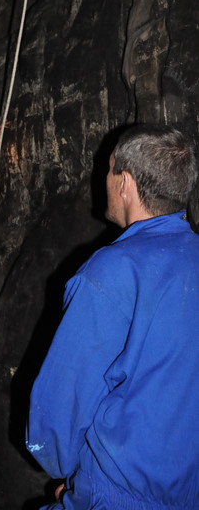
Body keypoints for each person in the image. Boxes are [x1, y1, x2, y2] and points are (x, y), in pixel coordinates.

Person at [25, 123, 199, 510]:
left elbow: (61, 405)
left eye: (108, 169)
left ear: (126, 183)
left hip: (118, 494)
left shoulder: (112, 271)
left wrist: (70, 475)